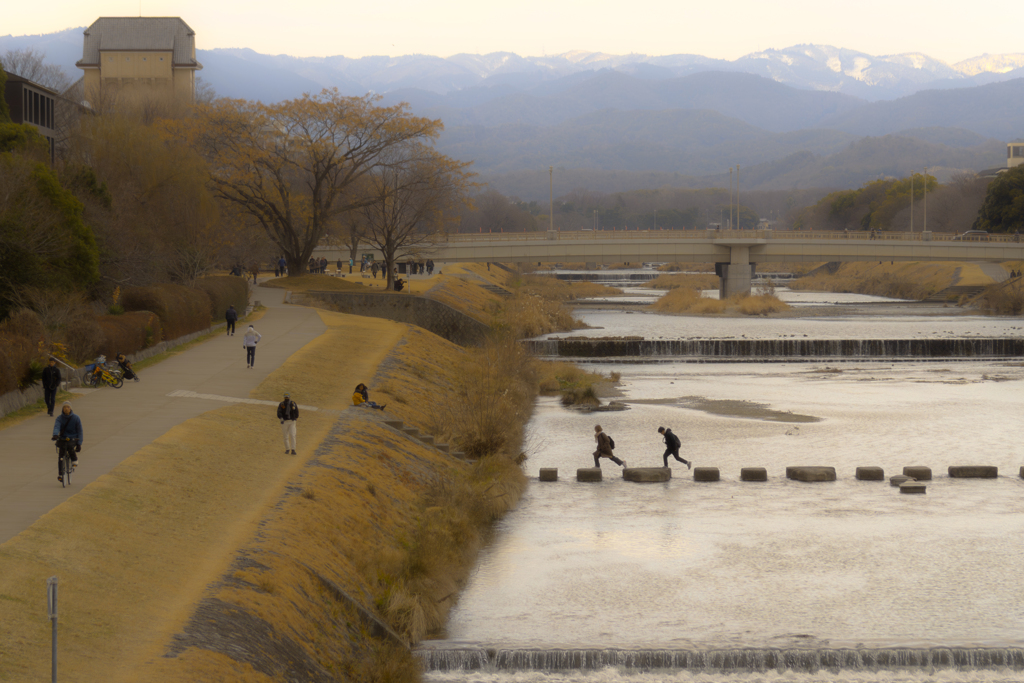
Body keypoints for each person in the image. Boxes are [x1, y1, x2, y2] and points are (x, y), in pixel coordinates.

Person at [51, 401, 83, 483]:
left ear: (71, 408)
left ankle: (74, 459)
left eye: (68, 407)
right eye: (65, 407)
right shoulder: (59, 418)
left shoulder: (76, 418)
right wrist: (55, 435)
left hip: (73, 438)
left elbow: (80, 431)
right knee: (61, 455)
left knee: (70, 447)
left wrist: (79, 443)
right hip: (63, 438)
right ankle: (61, 474)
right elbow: (56, 427)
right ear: (62, 408)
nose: (66, 409)